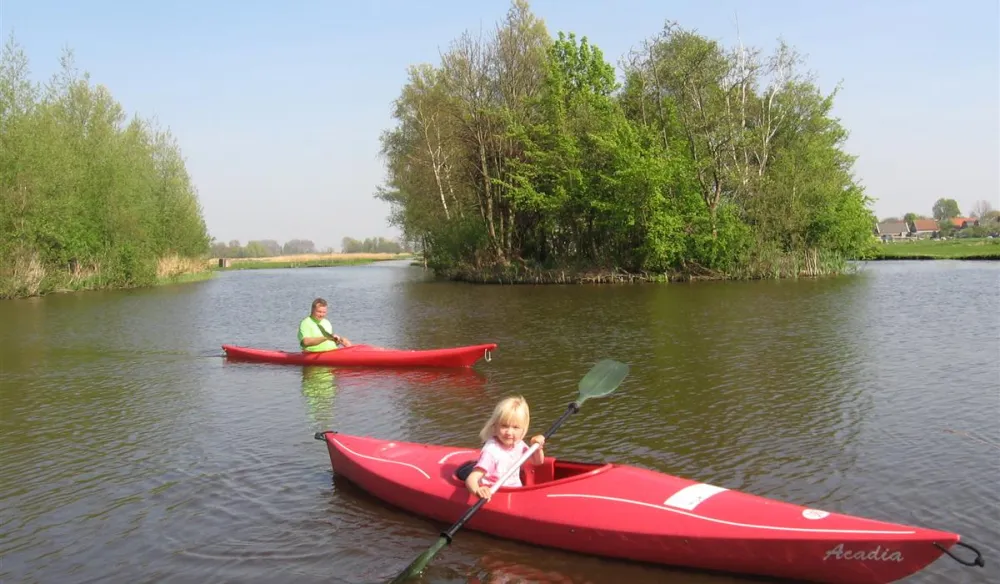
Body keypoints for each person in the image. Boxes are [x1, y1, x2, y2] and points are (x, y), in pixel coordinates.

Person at [465, 395, 545, 501]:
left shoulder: (519, 444)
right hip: (495, 494)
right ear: (495, 426)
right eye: (504, 426)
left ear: (523, 429)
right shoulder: (491, 451)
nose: (509, 432)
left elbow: (537, 461)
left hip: (516, 492)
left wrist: (538, 447)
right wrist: (478, 491)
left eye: (515, 427)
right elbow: (471, 478)